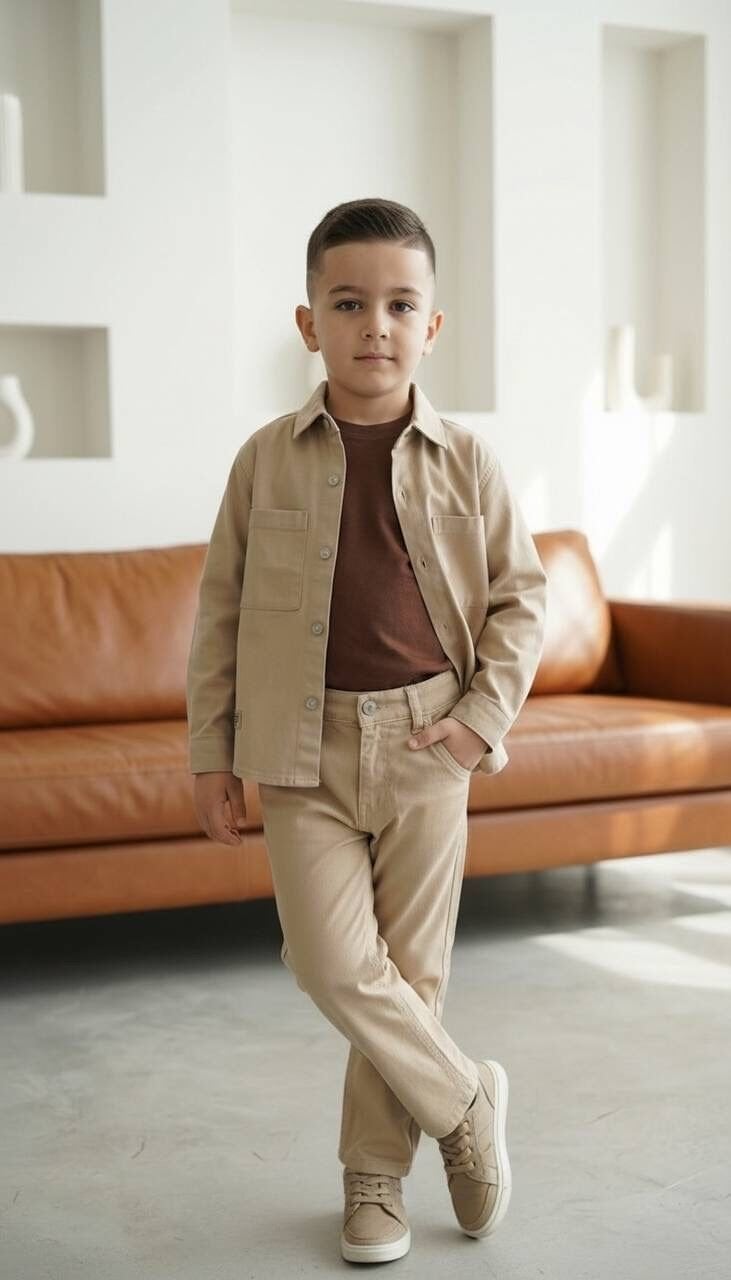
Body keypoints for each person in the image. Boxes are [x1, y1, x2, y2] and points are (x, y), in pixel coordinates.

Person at [186, 197, 548, 1264]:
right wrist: (210, 752)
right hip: (298, 751)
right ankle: (465, 1100)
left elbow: (521, 601)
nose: (373, 326)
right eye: (347, 304)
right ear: (309, 324)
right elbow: (218, 612)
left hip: (429, 744)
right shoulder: (263, 460)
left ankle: (372, 1180)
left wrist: (478, 723)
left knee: (412, 974)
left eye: (398, 305)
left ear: (430, 326)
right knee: (330, 963)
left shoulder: (469, 461)